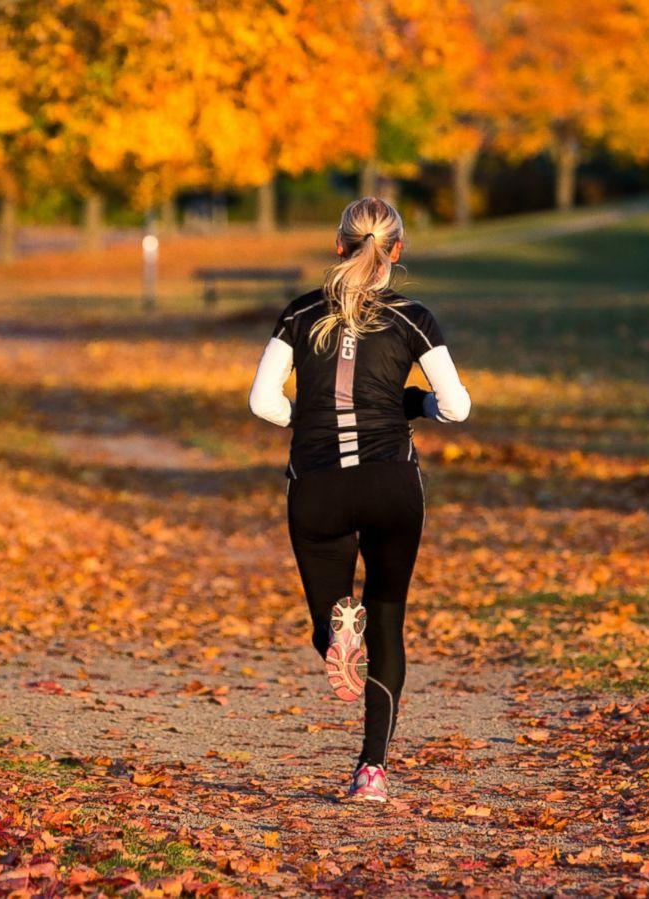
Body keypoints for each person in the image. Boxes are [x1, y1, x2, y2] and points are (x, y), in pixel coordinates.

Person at [247, 197, 472, 803]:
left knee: (333, 620)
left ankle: (335, 633)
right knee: (390, 623)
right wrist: (411, 404)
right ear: (396, 252)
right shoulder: (414, 317)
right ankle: (372, 770)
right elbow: (456, 406)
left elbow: (262, 402)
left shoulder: (299, 314)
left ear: (337, 245)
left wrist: (309, 417)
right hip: (390, 487)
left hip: (317, 487)